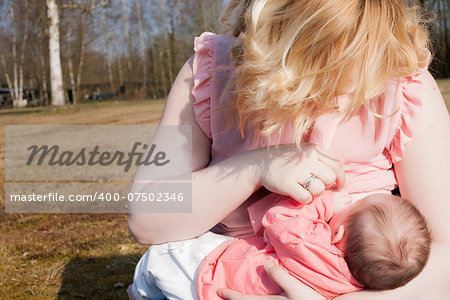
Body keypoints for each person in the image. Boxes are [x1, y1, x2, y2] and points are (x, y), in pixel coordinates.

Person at [127, 0, 450, 299]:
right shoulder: (212, 72)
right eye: (324, 66)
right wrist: (254, 169)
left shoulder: (403, 84)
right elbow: (147, 219)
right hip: (224, 274)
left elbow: (445, 254)